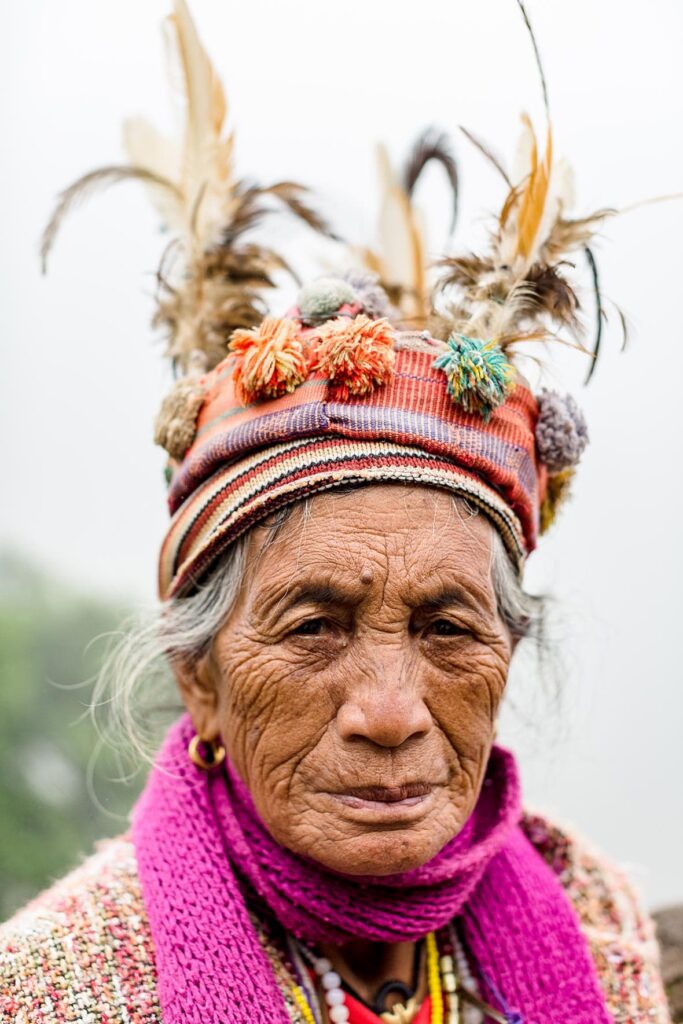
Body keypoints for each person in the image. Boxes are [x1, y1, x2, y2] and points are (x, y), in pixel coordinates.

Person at [0, 2, 672, 1022]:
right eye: (313, 627)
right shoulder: (57, 988)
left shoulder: (602, 930)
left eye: (448, 629)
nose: (391, 712)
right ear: (201, 678)